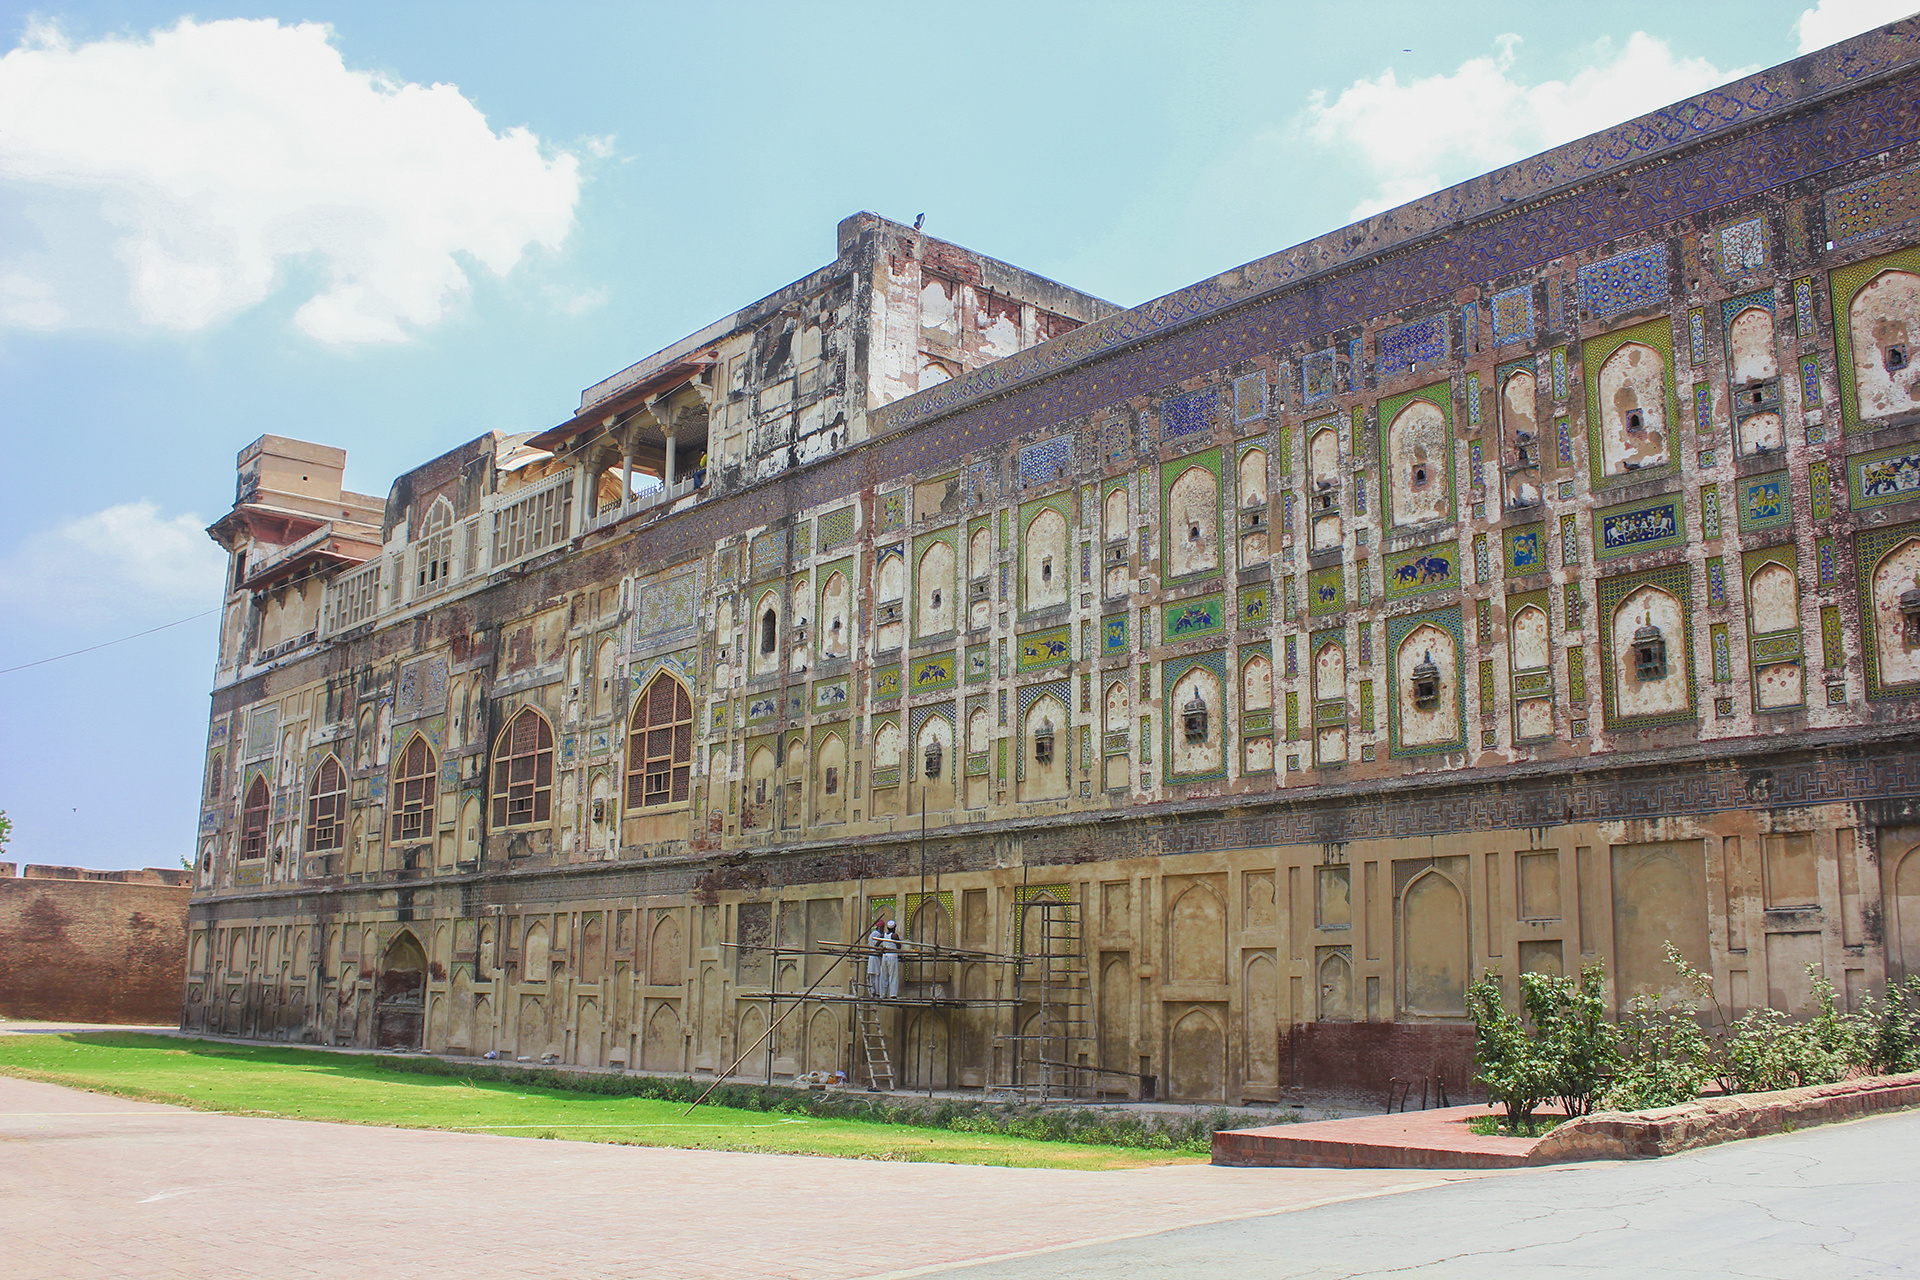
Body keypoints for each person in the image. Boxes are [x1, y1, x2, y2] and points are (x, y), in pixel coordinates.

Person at [877, 919, 902, 999]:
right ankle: (893, 994)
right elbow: (899, 946)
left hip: (885, 956)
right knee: (893, 975)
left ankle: (882, 994)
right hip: (892, 956)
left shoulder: (883, 935)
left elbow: (877, 944)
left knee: (884, 976)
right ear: (894, 928)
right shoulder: (894, 936)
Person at [865, 916, 886, 998]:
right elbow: (877, 945)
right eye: (882, 927)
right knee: (877, 975)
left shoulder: (872, 934)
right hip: (875, 956)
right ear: (879, 927)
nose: (883, 929)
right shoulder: (878, 935)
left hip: (872, 956)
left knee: (872, 975)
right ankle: (877, 992)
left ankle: (872, 991)